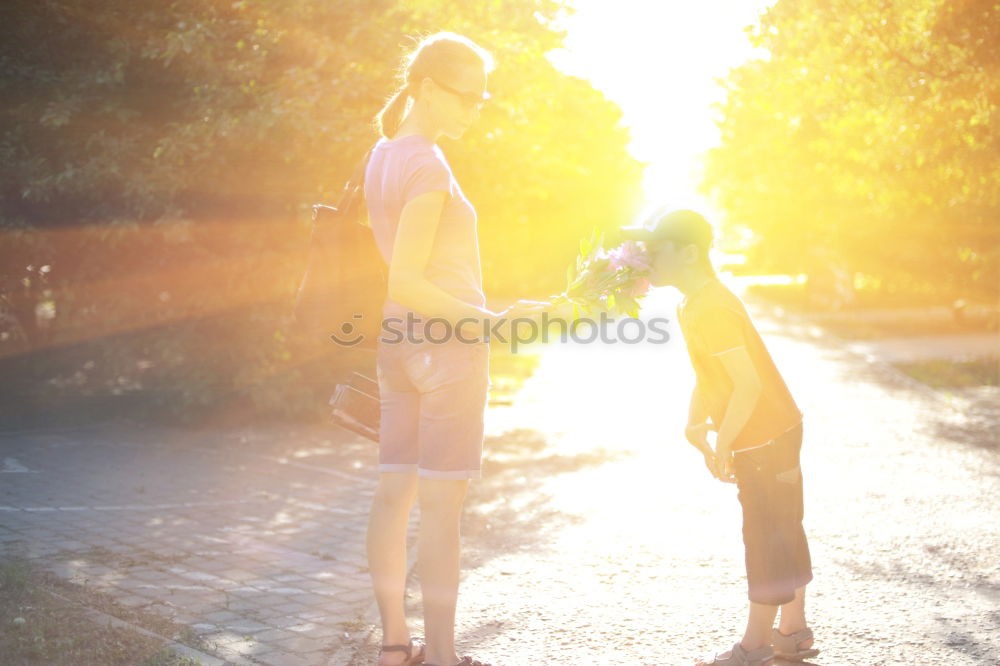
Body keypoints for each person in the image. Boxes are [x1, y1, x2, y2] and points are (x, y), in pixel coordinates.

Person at [364, 32, 544, 666]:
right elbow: (408, 280)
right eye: (468, 98)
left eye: (483, 99)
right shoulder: (429, 166)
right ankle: (440, 655)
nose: (476, 110)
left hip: (396, 346)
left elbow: (401, 281)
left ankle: (395, 646)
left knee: (393, 495)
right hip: (448, 350)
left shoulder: (382, 155)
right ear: (428, 88)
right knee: (441, 509)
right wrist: (494, 325)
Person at [623, 209, 819, 666]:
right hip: (768, 430)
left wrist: (726, 441)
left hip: (766, 434)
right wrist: (696, 422)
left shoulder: (711, 306)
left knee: (767, 533)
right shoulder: (692, 302)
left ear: (689, 252)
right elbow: (711, 374)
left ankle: (755, 646)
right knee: (782, 525)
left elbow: (747, 385)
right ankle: (792, 631)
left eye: (659, 249)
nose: (649, 257)